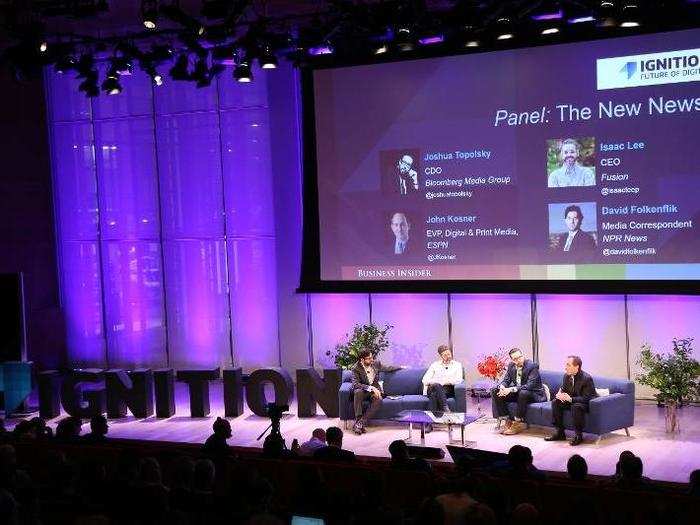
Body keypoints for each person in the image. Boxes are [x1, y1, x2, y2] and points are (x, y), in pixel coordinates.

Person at [491, 348, 546, 435]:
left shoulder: (532, 366)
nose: (518, 360)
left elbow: (529, 385)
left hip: (534, 393)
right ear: (512, 360)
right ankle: (507, 420)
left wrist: (510, 389)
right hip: (519, 393)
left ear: (523, 355)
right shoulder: (511, 366)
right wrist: (502, 387)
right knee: (495, 391)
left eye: (520, 357)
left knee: (523, 392)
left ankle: (518, 422)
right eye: (515, 359)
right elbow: (506, 380)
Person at [545, 355, 596, 446]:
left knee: (576, 407)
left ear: (577, 367)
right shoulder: (566, 376)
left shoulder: (586, 378)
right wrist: (560, 395)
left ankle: (578, 435)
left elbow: (587, 398)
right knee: (555, 402)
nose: (565, 367)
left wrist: (571, 399)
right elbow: (564, 390)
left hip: (584, 404)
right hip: (571, 401)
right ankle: (560, 433)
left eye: (568, 365)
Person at [351, 348, 401, 435]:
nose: (372, 360)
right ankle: (358, 419)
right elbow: (355, 384)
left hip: (374, 391)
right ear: (362, 359)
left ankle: (360, 423)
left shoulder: (376, 363)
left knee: (379, 399)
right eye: (369, 358)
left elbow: (387, 368)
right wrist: (370, 387)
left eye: (372, 357)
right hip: (364, 391)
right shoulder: (356, 368)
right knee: (357, 392)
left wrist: (400, 367)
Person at [421, 345, 464, 412]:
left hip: (447, 389)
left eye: (449, 354)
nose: (448, 356)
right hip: (432, 387)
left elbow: (458, 380)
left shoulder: (457, 365)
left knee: (434, 395)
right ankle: (445, 408)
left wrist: (444, 382)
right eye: (445, 355)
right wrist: (437, 382)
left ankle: (432, 418)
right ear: (441, 356)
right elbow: (425, 380)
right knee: (436, 385)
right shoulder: (435, 365)